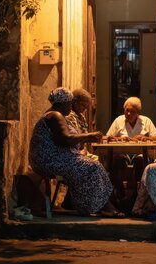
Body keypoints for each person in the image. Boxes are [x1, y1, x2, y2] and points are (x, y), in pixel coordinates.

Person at [29, 87, 124, 217]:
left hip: (57, 158)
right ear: (65, 103)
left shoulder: (57, 115)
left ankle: (101, 205)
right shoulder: (55, 116)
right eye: (70, 103)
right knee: (92, 167)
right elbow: (65, 139)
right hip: (49, 161)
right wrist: (88, 136)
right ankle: (100, 206)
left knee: (95, 165)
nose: (71, 106)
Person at [106, 96, 156, 202]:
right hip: (123, 154)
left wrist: (145, 137)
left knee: (140, 161)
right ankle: (120, 191)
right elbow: (106, 137)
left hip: (140, 154)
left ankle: (137, 193)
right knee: (115, 161)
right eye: (127, 110)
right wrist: (119, 138)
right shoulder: (119, 120)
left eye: (132, 112)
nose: (129, 114)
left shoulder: (146, 121)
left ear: (138, 112)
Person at [66, 88, 98, 160]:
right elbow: (73, 139)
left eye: (86, 107)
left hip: (82, 152)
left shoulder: (81, 117)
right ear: (74, 101)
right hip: (72, 155)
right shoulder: (69, 116)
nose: (85, 109)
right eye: (83, 105)